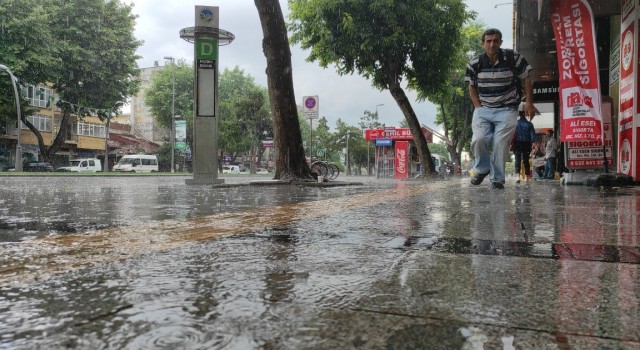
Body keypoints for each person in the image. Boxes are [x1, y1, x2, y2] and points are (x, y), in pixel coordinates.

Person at [465, 28, 535, 189]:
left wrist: (529, 103)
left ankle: (497, 179)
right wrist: (478, 107)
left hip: (507, 108)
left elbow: (526, 79)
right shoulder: (474, 63)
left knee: (500, 143)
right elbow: (472, 87)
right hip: (483, 109)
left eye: (495, 41)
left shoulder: (513, 58)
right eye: (488, 41)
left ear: (501, 42)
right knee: (479, 139)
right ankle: (482, 168)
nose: (492, 44)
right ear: (483, 44)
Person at [512, 103, 536, 183]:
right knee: (526, 160)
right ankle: (527, 177)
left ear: (519, 114)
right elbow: (533, 136)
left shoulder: (516, 123)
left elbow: (512, 134)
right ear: (525, 114)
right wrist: (533, 143)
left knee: (517, 159)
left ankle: (517, 177)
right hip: (527, 143)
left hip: (517, 143)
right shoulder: (529, 124)